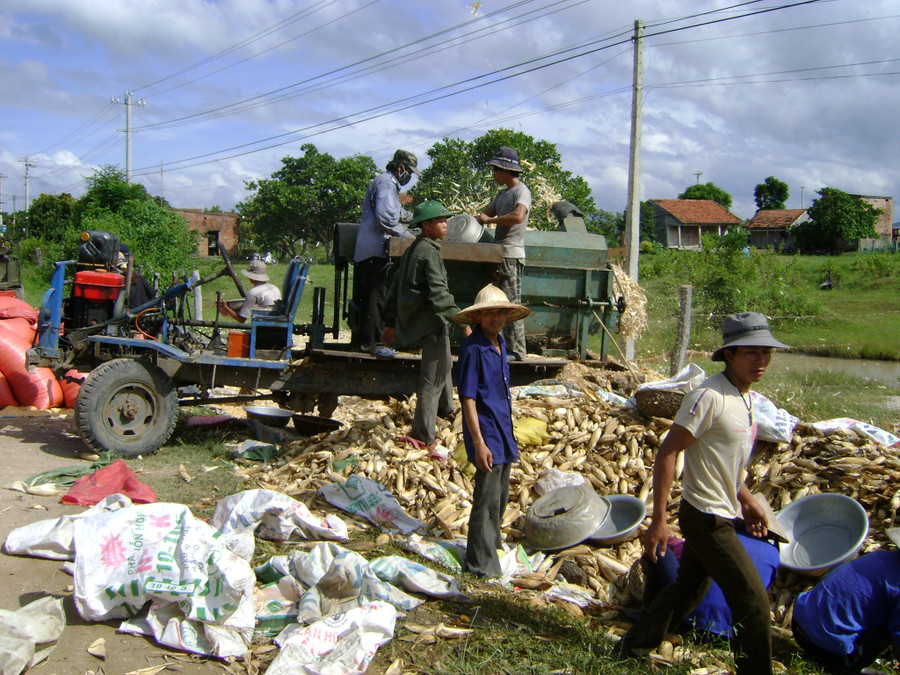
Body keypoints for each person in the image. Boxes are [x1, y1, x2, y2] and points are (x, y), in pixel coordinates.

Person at [620, 312, 789, 675]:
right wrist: (659, 520)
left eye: (766, 353)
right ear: (729, 354)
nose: (760, 361)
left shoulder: (745, 399)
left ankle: (633, 646)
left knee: (689, 589)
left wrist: (748, 502)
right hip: (705, 517)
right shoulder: (708, 396)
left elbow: (726, 463)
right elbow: (668, 451)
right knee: (753, 600)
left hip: (724, 511)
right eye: (751, 353)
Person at [454, 284, 531, 577]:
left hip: (502, 431)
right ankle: (479, 564)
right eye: (488, 313)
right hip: (485, 433)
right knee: (485, 500)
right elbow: (468, 398)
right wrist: (478, 441)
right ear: (477, 318)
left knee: (498, 498)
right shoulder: (473, 349)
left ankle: (492, 547)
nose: (495, 317)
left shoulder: (500, 345)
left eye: (500, 312)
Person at [381, 200, 470, 449]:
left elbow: (394, 290)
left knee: (444, 367)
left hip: (423, 323)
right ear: (425, 225)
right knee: (432, 380)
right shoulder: (429, 252)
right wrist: (462, 322)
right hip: (431, 324)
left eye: (445, 220)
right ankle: (422, 435)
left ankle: (446, 411)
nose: (445, 225)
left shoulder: (413, 250)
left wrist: (390, 323)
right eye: (440, 221)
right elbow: (440, 295)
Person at [791, 528, 900, 675]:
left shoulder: (882, 557)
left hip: (799, 624)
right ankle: (849, 668)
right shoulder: (896, 583)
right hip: (827, 646)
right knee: (887, 625)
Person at [354, 149, 419, 357]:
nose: (409, 176)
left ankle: (366, 343)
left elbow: (396, 212)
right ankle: (373, 345)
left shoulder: (388, 185)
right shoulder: (386, 183)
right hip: (373, 249)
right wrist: (406, 235)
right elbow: (385, 218)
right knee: (375, 299)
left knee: (372, 298)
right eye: (409, 171)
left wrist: (417, 217)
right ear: (400, 168)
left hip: (370, 249)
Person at [476, 147, 531, 361]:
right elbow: (485, 214)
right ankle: (495, 345)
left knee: (510, 303)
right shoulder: (502, 194)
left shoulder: (521, 192)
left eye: (496, 171)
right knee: (494, 303)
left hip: (511, 253)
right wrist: (480, 218)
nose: (494, 175)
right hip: (497, 254)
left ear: (506, 171)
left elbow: (518, 217)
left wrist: (489, 221)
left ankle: (517, 351)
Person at [216, 260, 281, 324]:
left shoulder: (253, 293)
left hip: (265, 325)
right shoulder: (275, 288)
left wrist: (225, 307)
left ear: (251, 277)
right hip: (278, 322)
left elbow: (241, 319)